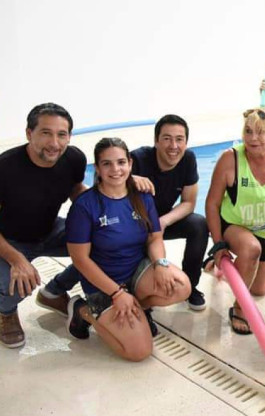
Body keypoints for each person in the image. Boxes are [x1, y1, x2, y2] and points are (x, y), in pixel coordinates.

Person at [65, 137, 191, 360]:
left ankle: (136, 306)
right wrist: (116, 293)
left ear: (130, 164)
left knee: (180, 286)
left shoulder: (141, 196)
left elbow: (154, 237)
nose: (115, 169)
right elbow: (80, 259)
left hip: (136, 272)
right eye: (107, 164)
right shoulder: (85, 206)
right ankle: (83, 310)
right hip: (103, 283)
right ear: (98, 168)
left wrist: (161, 264)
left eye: (121, 162)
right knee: (139, 352)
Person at [205, 107, 265, 335]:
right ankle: (239, 308)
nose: (252, 138)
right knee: (251, 249)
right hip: (234, 224)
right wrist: (219, 244)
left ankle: (220, 269)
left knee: (259, 289)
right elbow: (211, 203)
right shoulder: (230, 159)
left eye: (259, 132)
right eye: (248, 131)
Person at [0, 103, 87, 348]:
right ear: (30, 134)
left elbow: (76, 190)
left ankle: (53, 292)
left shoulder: (73, 158)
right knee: (15, 283)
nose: (55, 143)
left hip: (51, 231)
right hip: (9, 240)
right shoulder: (5, 167)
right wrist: (17, 260)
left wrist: (121, 187)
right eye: (46, 133)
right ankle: (6, 313)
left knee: (105, 243)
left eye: (62, 135)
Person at [130, 115, 209, 310]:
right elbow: (104, 180)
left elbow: (189, 202)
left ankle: (191, 286)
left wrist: (163, 222)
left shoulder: (188, 159)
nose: (173, 145)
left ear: (186, 142)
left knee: (199, 224)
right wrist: (129, 178)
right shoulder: (138, 159)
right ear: (156, 141)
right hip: (135, 224)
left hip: (162, 220)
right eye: (166, 138)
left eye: (179, 139)